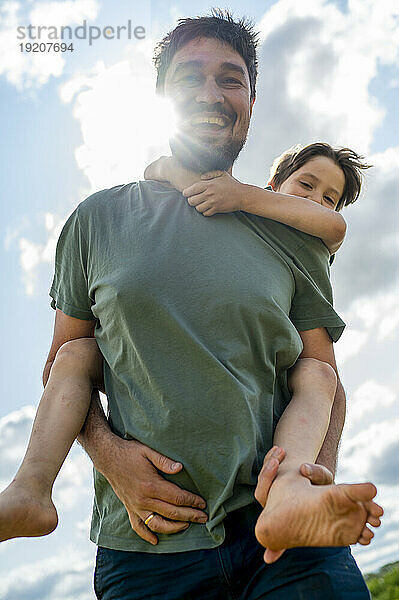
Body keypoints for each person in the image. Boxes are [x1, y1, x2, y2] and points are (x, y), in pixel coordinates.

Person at [0, 10, 381, 599]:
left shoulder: (288, 237)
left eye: (231, 79)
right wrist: (110, 458)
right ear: (161, 97)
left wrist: (311, 476)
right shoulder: (96, 220)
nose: (212, 92)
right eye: (190, 77)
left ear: (252, 101)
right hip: (147, 544)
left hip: (283, 536)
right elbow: (66, 362)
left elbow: (323, 374)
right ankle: (28, 492)